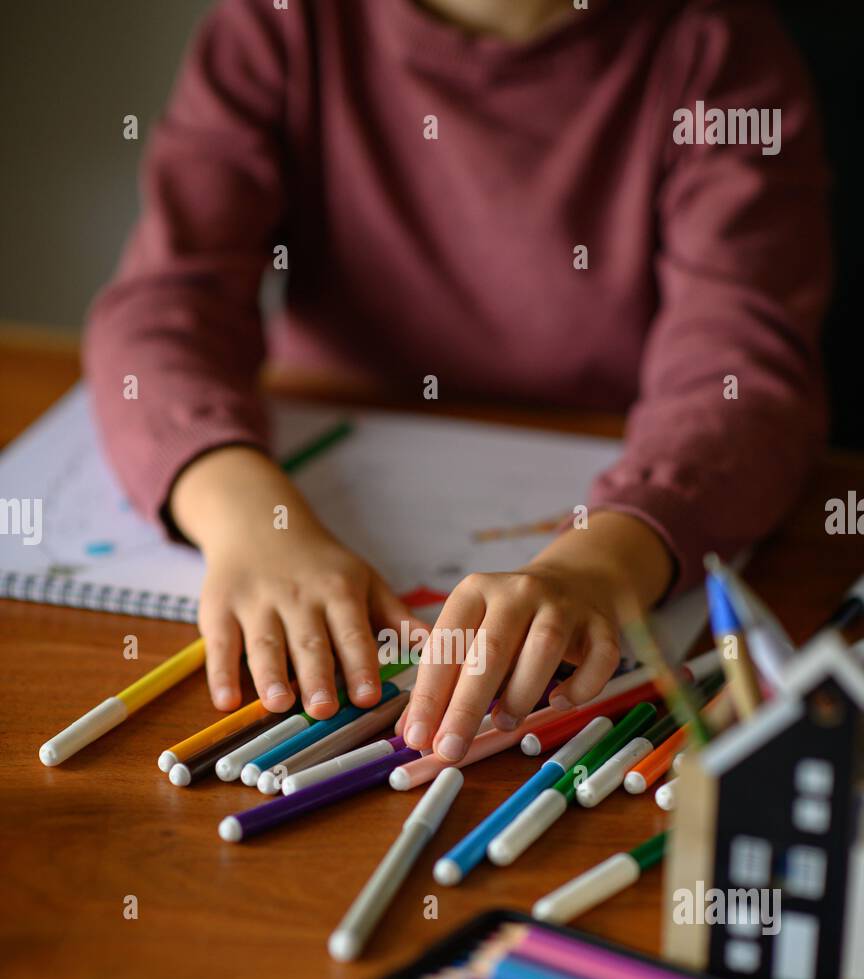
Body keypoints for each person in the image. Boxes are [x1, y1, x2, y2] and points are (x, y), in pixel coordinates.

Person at [84, 0, 830, 765]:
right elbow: (163, 305)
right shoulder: (279, 23)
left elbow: (742, 369)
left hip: (616, 479)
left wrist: (601, 565)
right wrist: (245, 519)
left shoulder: (719, 47)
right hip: (337, 438)